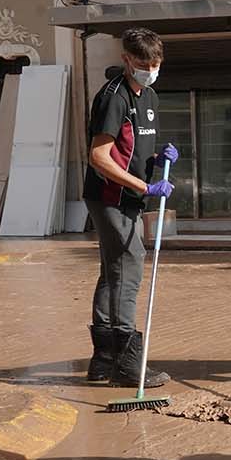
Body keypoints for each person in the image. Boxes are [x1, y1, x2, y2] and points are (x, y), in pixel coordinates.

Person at [83, 27, 176, 388]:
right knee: (128, 268)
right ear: (126, 59)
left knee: (112, 272)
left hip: (131, 197)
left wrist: (156, 160)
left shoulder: (148, 95)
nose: (149, 69)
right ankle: (126, 362)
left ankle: (103, 361)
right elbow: (98, 157)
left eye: (155, 63)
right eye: (142, 63)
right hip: (110, 198)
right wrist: (145, 186)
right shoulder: (113, 97)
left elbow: (132, 149)